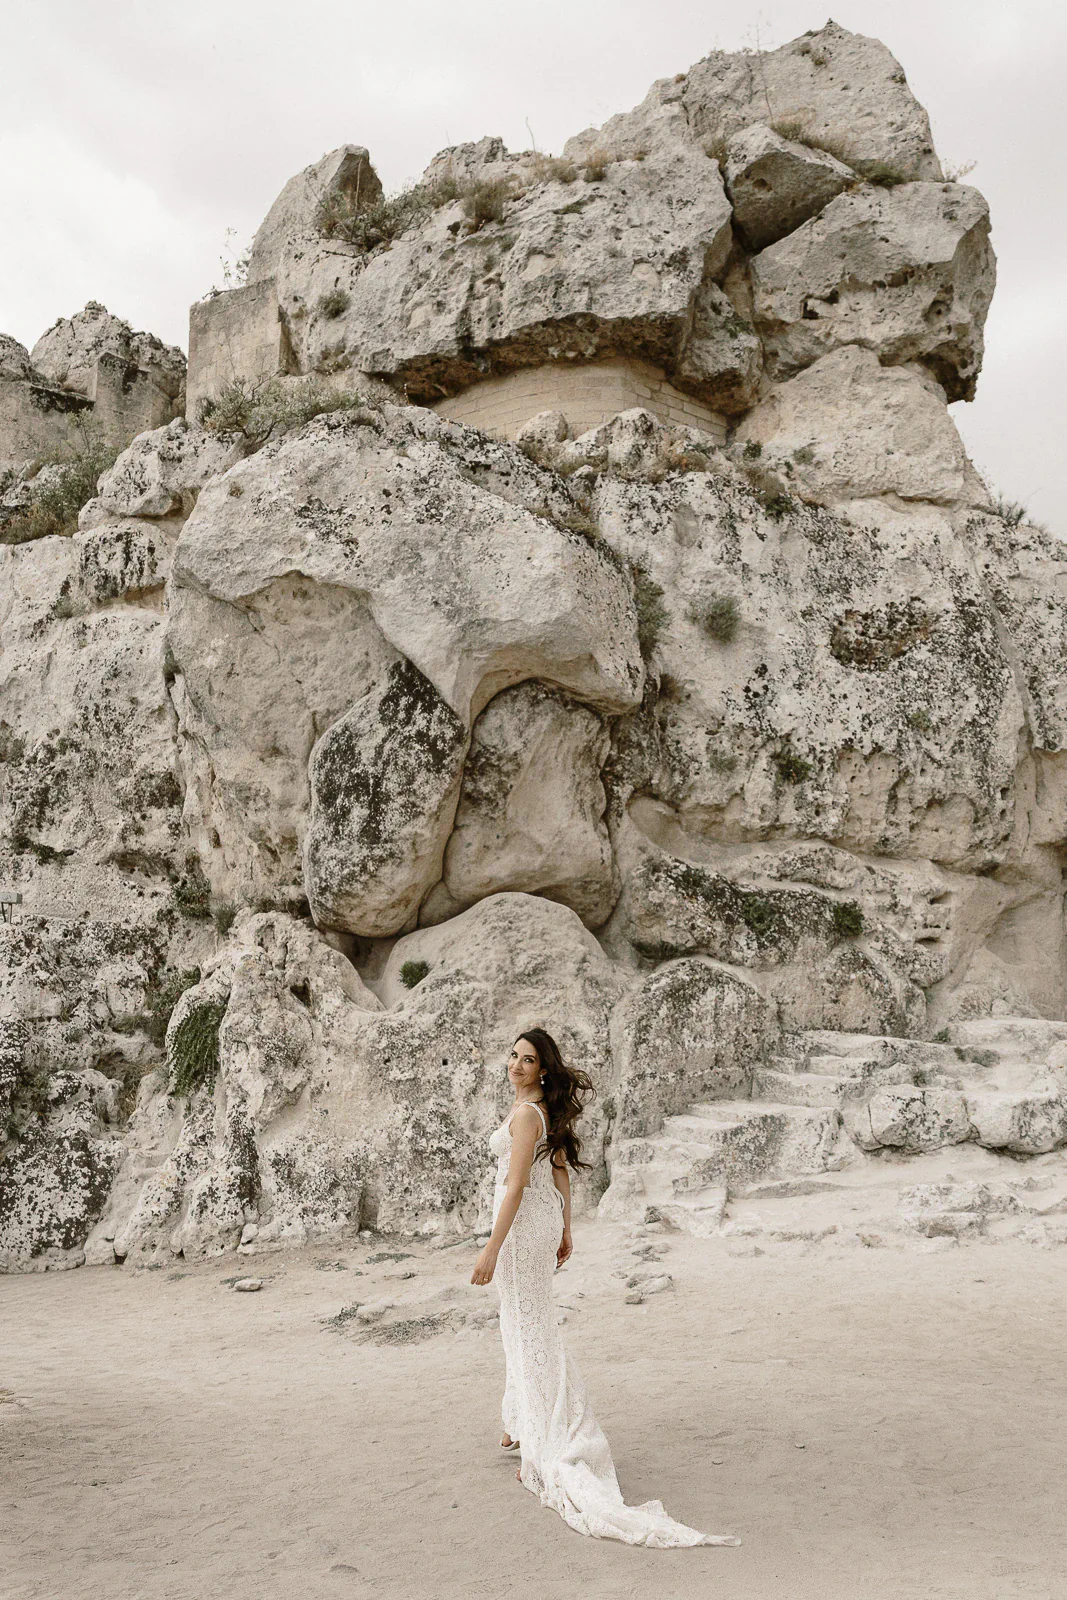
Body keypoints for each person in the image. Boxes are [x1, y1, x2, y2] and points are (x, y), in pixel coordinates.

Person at [470, 1027, 740, 1548]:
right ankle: (520, 1419)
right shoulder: (540, 1112)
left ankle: (545, 1436)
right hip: (542, 1222)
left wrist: (490, 1248)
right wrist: (568, 1227)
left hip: (523, 1228)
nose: (516, 1065)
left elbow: (518, 1184)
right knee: (526, 1323)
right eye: (513, 1056)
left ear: (544, 1069)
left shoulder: (527, 1115)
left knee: (527, 1327)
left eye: (527, 1060)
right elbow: (561, 1171)